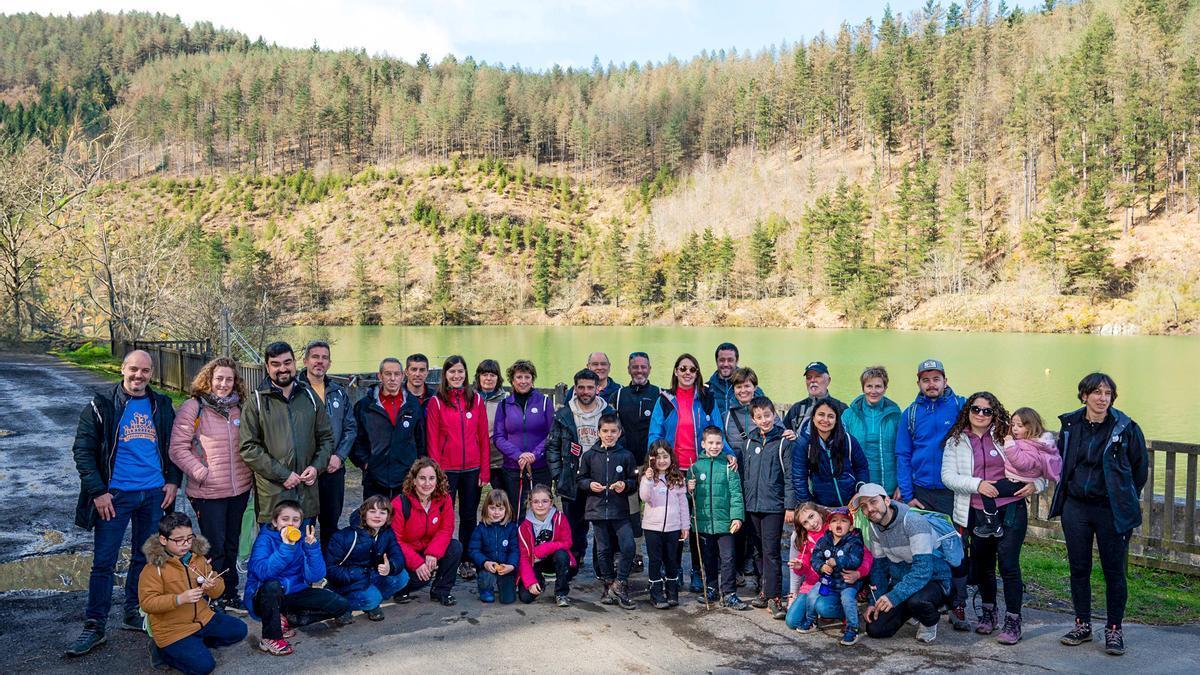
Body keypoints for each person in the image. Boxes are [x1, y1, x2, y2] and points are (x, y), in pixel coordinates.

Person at [67, 349, 180, 658]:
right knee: (104, 562)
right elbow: (83, 450)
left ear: (151, 373)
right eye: (133, 369)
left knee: (144, 558)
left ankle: (134, 611)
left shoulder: (162, 405)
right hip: (114, 497)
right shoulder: (101, 404)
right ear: (122, 369)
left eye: (144, 370)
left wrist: (173, 481)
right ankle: (95, 625)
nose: (138, 375)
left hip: (154, 494)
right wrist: (98, 491)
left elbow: (174, 446)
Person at [1050, 373, 1147, 656]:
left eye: (1107, 393)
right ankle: (1082, 624)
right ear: (1084, 396)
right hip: (1076, 507)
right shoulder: (1070, 424)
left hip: (1111, 509)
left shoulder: (1126, 427)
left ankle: (1114, 630)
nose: (1102, 398)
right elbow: (1061, 460)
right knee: (1079, 568)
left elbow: (1139, 469)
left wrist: (1120, 494)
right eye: (1096, 392)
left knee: (1114, 571)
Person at [942, 393, 1046, 644]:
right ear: (968, 411)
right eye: (976, 409)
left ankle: (1013, 620)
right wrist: (978, 485)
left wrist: (1037, 484)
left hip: (1010, 508)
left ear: (994, 413)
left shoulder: (1007, 436)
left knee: (1009, 564)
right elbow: (947, 476)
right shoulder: (956, 441)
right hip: (976, 511)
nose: (980, 414)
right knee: (984, 565)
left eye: (987, 411)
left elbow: (1039, 464)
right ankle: (989, 612)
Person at [168, 356, 253, 614]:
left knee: (231, 543)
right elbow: (177, 448)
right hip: (208, 491)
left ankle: (230, 592)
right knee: (213, 546)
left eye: (229, 379)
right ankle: (213, 594)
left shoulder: (240, 408)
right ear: (209, 379)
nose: (223, 384)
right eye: (218, 379)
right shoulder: (194, 407)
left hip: (239, 489)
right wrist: (201, 473)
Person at [893, 358, 968, 629]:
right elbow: (903, 454)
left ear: (945, 381)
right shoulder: (910, 413)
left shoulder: (961, 407)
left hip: (953, 490)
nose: (931, 384)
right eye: (926, 380)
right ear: (919, 383)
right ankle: (926, 600)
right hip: (922, 492)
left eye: (936, 379)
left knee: (956, 547)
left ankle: (958, 603)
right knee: (922, 548)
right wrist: (909, 492)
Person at [648, 353, 733, 593]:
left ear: (697, 373)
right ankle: (673, 570)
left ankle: (699, 571)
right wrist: (655, 461)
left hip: (700, 469)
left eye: (692, 369)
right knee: (674, 524)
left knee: (698, 524)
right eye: (683, 368)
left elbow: (716, 430)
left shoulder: (706, 398)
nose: (687, 373)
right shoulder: (664, 400)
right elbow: (655, 434)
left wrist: (728, 452)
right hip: (674, 470)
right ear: (675, 371)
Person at [138, 512, 248, 675]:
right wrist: (178, 599)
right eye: (179, 540)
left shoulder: (198, 558)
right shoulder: (153, 568)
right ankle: (162, 652)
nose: (186, 544)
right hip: (173, 629)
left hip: (203, 618)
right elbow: (147, 603)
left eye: (189, 538)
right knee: (204, 667)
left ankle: (195, 645)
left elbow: (218, 592)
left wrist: (212, 586)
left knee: (239, 630)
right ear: (163, 540)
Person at [239, 341, 334, 528]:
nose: (283, 368)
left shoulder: (309, 397)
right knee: (275, 553)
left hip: (306, 496)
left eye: (287, 362)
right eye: (276, 364)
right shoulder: (256, 402)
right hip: (274, 498)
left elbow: (325, 438)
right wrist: (283, 475)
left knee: (303, 551)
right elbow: (248, 448)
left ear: (294, 363)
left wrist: (316, 467)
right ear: (267, 367)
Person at [244, 500, 351, 656]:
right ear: (275, 521)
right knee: (272, 585)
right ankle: (270, 636)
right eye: (285, 519)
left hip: (294, 594)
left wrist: (312, 548)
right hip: (265, 596)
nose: (290, 524)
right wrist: (286, 547)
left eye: (295, 520)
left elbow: (316, 576)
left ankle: (286, 620)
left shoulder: (302, 539)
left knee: (340, 605)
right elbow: (263, 573)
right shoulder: (265, 540)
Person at [853, 484, 952, 644]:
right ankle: (912, 612)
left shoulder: (913, 521)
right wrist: (874, 601)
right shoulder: (875, 528)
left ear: (886, 500)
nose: (869, 509)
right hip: (903, 582)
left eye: (873, 502)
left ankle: (930, 620)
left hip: (934, 579)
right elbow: (879, 568)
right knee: (876, 629)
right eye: (864, 506)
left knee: (917, 601)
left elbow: (923, 570)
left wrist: (894, 596)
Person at [425, 355, 490, 581]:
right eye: (452, 372)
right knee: (443, 516)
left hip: (472, 469)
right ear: (445, 375)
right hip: (446, 470)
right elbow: (432, 440)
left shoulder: (477, 400)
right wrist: (435, 473)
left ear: (465, 374)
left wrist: (484, 470)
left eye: (460, 371)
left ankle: (466, 560)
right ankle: (439, 557)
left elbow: (482, 436)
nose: (456, 376)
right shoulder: (436, 402)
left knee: (469, 515)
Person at [546, 369, 616, 568]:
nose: (586, 391)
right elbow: (553, 446)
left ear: (598, 388)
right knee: (574, 525)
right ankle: (573, 560)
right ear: (575, 388)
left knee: (603, 526)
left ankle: (601, 566)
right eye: (581, 387)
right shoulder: (564, 414)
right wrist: (558, 475)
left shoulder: (608, 413)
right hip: (572, 477)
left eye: (590, 387)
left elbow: (620, 443)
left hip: (601, 478)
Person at [739, 396, 795, 619]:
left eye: (767, 415)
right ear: (753, 418)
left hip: (774, 505)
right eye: (759, 417)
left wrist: (789, 506)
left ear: (775, 414)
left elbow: (790, 477)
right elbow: (744, 475)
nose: (764, 420)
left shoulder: (783, 441)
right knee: (757, 550)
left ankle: (775, 597)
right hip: (752, 504)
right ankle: (764, 590)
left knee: (771, 551)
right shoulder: (749, 443)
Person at [299, 341, 358, 552]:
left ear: (330, 363)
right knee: (306, 524)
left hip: (333, 469)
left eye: (324, 358)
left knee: (330, 523)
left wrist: (340, 456)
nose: (319, 361)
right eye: (315, 357)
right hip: (306, 471)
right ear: (305, 360)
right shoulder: (296, 391)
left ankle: (328, 570)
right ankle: (307, 572)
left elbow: (350, 428)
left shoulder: (338, 393)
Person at [578, 413, 638, 609]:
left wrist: (625, 485)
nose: (609, 435)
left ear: (619, 433)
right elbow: (581, 480)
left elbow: (633, 482)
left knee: (628, 546)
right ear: (599, 432)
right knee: (603, 550)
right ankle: (608, 584)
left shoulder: (626, 455)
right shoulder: (589, 456)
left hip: (619, 510)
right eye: (605, 431)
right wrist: (589, 485)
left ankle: (620, 583)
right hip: (597, 510)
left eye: (613, 431)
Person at [687, 426, 749, 610]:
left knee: (728, 558)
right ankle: (712, 588)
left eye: (718, 443)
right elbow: (689, 498)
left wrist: (737, 517)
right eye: (711, 443)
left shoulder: (729, 467)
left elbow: (736, 494)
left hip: (725, 523)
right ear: (703, 444)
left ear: (723, 444)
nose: (715, 446)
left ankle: (729, 593)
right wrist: (689, 488)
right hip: (705, 524)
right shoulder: (695, 467)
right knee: (709, 558)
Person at [785, 502, 872, 630]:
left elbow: (866, 555)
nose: (812, 523)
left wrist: (859, 573)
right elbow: (807, 562)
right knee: (792, 621)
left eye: (811, 516)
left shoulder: (838, 526)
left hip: (836, 583)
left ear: (819, 513)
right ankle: (814, 617)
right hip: (812, 585)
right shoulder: (805, 539)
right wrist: (800, 566)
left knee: (823, 607)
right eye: (805, 523)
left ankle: (847, 612)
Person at [390, 458, 464, 606]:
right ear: (414, 481)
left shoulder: (444, 499)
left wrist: (433, 552)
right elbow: (395, 540)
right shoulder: (400, 503)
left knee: (455, 547)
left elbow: (446, 529)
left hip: (429, 548)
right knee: (420, 580)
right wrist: (417, 563)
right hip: (408, 552)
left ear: (438, 480)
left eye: (431, 478)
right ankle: (401, 589)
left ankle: (441, 591)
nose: (427, 483)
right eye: (422, 478)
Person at [350, 357, 426, 501]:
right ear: (380, 376)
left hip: (406, 476)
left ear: (403, 376)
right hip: (374, 477)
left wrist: (416, 466)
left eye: (396, 374)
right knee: (374, 519)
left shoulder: (412, 405)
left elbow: (420, 440)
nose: (392, 378)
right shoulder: (365, 406)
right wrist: (365, 463)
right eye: (388, 374)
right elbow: (355, 440)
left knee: (403, 520)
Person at [977, 407, 1060, 537]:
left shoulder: (1031, 445)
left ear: (1031, 427)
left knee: (988, 491)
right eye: (1013, 424)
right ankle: (993, 524)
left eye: (1020, 426)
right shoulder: (1030, 442)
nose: (1015, 429)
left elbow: (1022, 464)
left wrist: (1010, 445)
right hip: (1018, 480)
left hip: (1020, 482)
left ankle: (992, 525)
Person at [324, 496, 409, 622]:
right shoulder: (344, 537)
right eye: (372, 511)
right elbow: (330, 569)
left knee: (402, 577)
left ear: (388, 516)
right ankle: (342, 606)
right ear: (364, 513)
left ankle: (372, 603)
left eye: (382, 512)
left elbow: (397, 555)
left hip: (368, 576)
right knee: (371, 598)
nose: (377, 516)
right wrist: (357, 574)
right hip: (347, 581)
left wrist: (390, 566)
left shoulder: (386, 533)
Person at [612, 351, 660, 573]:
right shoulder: (619, 395)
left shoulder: (659, 394)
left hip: (653, 463)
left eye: (643, 367)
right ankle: (635, 554)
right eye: (635, 367)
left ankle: (658, 557)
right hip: (628, 464)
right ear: (628, 369)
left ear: (649, 369)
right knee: (631, 511)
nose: (639, 371)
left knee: (654, 508)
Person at [492, 359, 555, 508]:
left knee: (542, 509)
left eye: (527, 377)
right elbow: (498, 437)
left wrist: (535, 454)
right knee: (516, 510)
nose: (523, 381)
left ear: (532, 379)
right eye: (519, 377)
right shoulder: (504, 405)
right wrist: (518, 455)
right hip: (513, 468)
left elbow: (552, 434)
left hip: (540, 467)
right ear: (512, 381)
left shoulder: (545, 402)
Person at [793, 399, 870, 507]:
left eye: (830, 416)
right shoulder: (804, 443)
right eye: (821, 415)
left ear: (836, 420)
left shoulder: (848, 440)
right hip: (821, 506)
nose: (825, 420)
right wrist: (809, 505)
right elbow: (799, 477)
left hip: (851, 503)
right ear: (813, 418)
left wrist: (859, 491)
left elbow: (862, 467)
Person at [640, 440, 689, 609]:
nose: (662, 461)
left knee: (671, 560)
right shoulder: (648, 478)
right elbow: (645, 497)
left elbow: (683, 504)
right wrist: (646, 480)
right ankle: (656, 592)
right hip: (652, 527)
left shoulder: (677, 478)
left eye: (665, 456)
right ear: (651, 459)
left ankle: (672, 591)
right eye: (658, 457)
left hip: (673, 528)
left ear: (671, 458)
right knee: (655, 560)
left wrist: (685, 526)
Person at [842, 366, 903, 498]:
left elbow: (904, 452)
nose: (873, 391)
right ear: (863, 388)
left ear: (885, 388)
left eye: (878, 386)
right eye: (869, 386)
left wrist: (902, 485)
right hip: (859, 487)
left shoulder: (895, 415)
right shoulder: (849, 415)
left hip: (889, 488)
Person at [518, 484, 576, 606]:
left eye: (544, 501)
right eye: (536, 501)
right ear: (530, 503)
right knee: (525, 597)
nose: (540, 505)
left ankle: (561, 593)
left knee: (562, 555)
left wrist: (544, 548)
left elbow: (567, 543)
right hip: (535, 562)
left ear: (551, 503)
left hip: (553, 560)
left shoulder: (560, 518)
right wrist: (530, 582)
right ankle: (540, 581)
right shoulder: (524, 526)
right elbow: (523, 557)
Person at [468, 489, 520, 604]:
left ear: (506, 510)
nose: (496, 512)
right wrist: (484, 562)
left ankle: (506, 585)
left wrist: (511, 565)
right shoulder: (480, 528)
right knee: (486, 582)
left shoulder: (511, 528)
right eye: (492, 508)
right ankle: (485, 588)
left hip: (505, 567)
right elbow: (473, 550)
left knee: (508, 600)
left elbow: (515, 550)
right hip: (487, 568)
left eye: (500, 509)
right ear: (486, 508)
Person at [783, 362, 847, 433]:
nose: (812, 380)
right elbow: (782, 434)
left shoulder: (841, 408)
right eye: (809, 378)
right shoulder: (797, 409)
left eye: (817, 376)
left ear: (828, 380)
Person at [475, 359, 508, 492]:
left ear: (498, 378)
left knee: (504, 500)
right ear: (478, 377)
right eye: (484, 374)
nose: (488, 378)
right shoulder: (470, 398)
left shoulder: (505, 400)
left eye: (492, 375)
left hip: (499, 460)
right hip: (475, 461)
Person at [707, 342, 761, 420]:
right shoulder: (708, 389)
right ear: (716, 361)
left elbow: (767, 411)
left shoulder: (749, 387)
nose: (726, 364)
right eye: (722, 360)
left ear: (737, 361)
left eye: (730, 360)